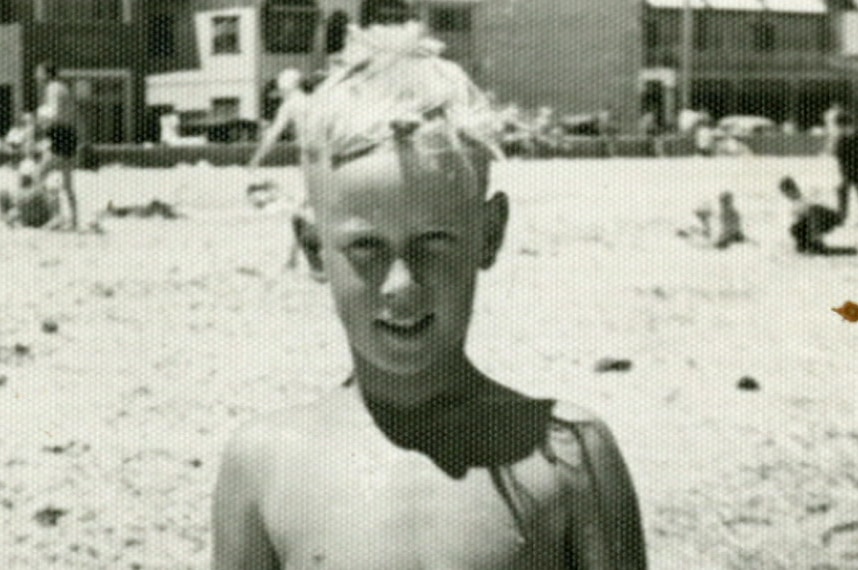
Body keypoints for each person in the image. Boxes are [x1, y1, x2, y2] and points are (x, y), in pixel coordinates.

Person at [212, 22, 647, 570]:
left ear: (489, 235)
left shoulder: (569, 457)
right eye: (366, 247)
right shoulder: (267, 465)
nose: (402, 286)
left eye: (434, 242)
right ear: (314, 248)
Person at [35, 61, 79, 230]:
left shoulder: (52, 88)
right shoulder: (62, 87)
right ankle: (74, 221)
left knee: (40, 174)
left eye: (39, 73)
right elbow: (69, 113)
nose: (37, 76)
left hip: (60, 135)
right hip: (69, 135)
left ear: (47, 74)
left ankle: (56, 216)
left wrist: (41, 116)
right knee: (67, 184)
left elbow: (55, 113)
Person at [779, 176, 855, 256]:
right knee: (802, 221)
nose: (791, 194)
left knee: (814, 210)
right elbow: (795, 224)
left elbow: (820, 207)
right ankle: (813, 243)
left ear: (795, 187)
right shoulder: (790, 206)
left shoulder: (809, 192)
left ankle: (815, 241)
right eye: (787, 193)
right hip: (809, 225)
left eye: (792, 189)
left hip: (825, 217)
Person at [834, 112, 858, 221]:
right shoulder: (841, 140)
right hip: (848, 171)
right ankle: (842, 216)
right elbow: (839, 158)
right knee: (842, 190)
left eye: (843, 127)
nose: (841, 130)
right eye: (840, 127)